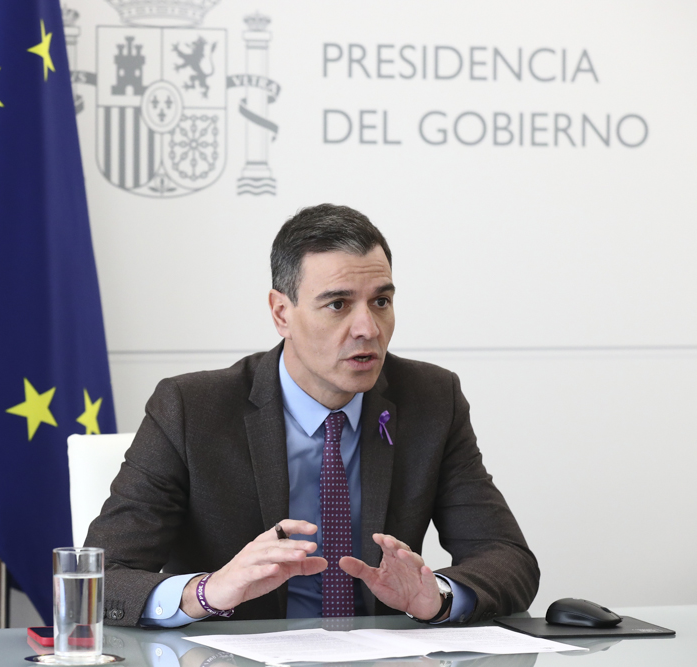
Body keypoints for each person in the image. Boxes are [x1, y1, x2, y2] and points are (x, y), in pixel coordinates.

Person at [86, 204, 539, 627]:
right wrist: (207, 592)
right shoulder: (191, 408)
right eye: (338, 304)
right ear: (282, 312)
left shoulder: (432, 399)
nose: (367, 328)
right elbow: (97, 578)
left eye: (381, 301)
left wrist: (437, 597)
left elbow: (507, 557)